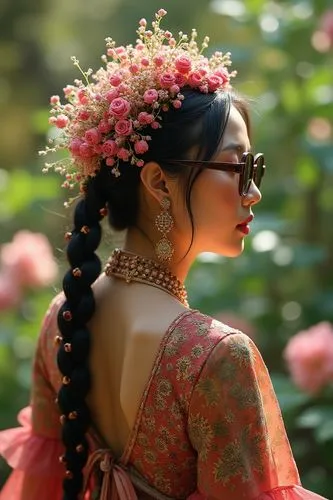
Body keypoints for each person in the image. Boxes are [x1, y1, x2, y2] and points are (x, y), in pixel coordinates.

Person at [0, 9, 328, 500]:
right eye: (239, 168)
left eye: (255, 168)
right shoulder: (215, 356)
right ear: (158, 182)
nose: (253, 193)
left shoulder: (63, 318)